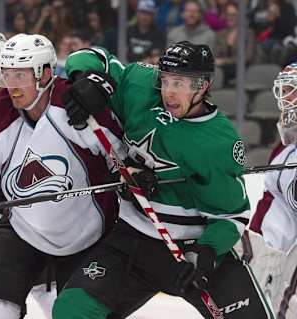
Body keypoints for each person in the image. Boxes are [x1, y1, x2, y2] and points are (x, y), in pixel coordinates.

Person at [52, 41, 274, 318]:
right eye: (165, 80)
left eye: (179, 83)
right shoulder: (142, 86)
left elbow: (232, 216)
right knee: (71, 310)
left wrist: (203, 254)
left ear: (203, 86)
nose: (168, 92)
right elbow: (95, 57)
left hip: (190, 250)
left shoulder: (217, 143)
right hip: (131, 239)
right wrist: (86, 79)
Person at [0, 33, 124, 319]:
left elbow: (121, 159)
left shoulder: (76, 105)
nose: (12, 86)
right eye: (6, 75)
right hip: (21, 232)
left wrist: (131, 177)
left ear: (46, 74)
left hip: (90, 235)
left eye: (20, 75)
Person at [245, 62, 297, 318]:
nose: (285, 99)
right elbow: (273, 199)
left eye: (292, 91)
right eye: (284, 90)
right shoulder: (286, 148)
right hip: (270, 249)